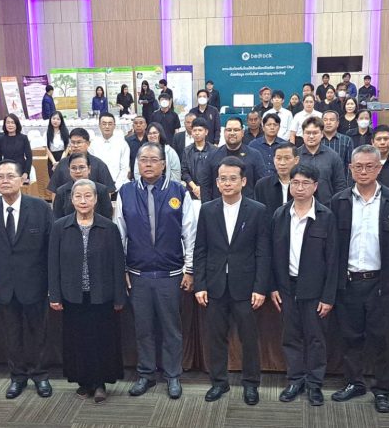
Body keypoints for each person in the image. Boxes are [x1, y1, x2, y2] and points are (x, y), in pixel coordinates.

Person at [328, 146, 389, 413]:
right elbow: (332, 247)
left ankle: (382, 389)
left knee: (382, 338)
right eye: (358, 166)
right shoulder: (338, 201)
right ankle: (354, 382)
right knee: (350, 336)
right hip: (349, 281)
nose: (363, 171)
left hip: (381, 282)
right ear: (350, 169)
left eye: (369, 166)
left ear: (379, 168)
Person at [115, 143, 196, 400]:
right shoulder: (126, 192)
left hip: (170, 275)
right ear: (137, 163)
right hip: (137, 275)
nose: (148, 164)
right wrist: (121, 269)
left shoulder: (179, 191)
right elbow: (119, 234)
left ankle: (172, 375)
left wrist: (190, 269)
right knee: (143, 328)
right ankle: (146, 374)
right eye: (143, 160)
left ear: (163, 164)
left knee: (171, 328)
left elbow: (190, 233)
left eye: (153, 160)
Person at [194, 156, 269, 406]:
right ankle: (219, 382)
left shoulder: (257, 210)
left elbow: (263, 252)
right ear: (217, 182)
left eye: (232, 179)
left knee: (249, 338)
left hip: (246, 287)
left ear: (243, 181)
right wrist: (200, 284)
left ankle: (251, 384)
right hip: (215, 285)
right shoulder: (207, 210)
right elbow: (200, 249)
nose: (227, 183)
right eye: (223, 179)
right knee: (215, 337)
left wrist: (260, 287)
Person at [0, 161, 55, 399]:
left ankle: (40, 375)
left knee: (38, 333)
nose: (5, 180)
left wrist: (52, 285)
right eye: (0, 176)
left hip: (35, 284)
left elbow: (51, 249)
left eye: (10, 176)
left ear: (23, 179)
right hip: (3, 285)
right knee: (11, 335)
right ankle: (17, 377)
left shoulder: (40, 207)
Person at [48, 178, 126, 404]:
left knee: (101, 339)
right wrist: (54, 294)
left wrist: (119, 296)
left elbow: (117, 264)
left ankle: (100, 383)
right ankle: (84, 380)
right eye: (78, 196)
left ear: (96, 199)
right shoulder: (60, 227)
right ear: (71, 199)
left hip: (102, 295)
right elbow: (53, 263)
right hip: (72, 295)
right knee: (77, 340)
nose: (83, 201)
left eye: (88, 196)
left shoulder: (108, 227)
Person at [271, 163, 339, 407]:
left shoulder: (326, 216)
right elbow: (272, 254)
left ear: (315, 186)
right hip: (286, 287)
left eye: (305, 183)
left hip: (315, 290)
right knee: (291, 336)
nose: (300, 188)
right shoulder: (280, 215)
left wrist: (328, 296)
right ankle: (295, 380)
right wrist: (273, 287)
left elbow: (333, 260)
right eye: (295, 183)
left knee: (316, 338)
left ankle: (314, 383)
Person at [198, 117, 265, 202]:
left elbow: (261, 185)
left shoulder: (255, 155)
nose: (232, 133)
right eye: (229, 130)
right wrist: (208, 207)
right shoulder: (212, 156)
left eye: (236, 130)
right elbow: (205, 186)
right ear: (224, 132)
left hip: (248, 207)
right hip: (218, 206)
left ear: (242, 133)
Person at [47, 129, 115, 194]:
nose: (75, 146)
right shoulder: (62, 164)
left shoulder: (99, 164)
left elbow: (108, 192)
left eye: (79, 142)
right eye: (73, 142)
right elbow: (54, 191)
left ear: (88, 143)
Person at [297, 117, 347, 204]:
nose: (311, 136)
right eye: (308, 133)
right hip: (300, 205)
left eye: (315, 133)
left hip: (327, 206)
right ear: (303, 134)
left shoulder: (333, 156)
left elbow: (340, 184)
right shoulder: (295, 156)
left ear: (322, 134)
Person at [53, 153, 113, 219]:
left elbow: (107, 218)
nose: (78, 171)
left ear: (89, 169)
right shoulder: (61, 192)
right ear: (69, 169)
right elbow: (57, 218)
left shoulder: (101, 190)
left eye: (81, 167)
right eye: (73, 168)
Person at [255, 142, 298, 218]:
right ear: (273, 159)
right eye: (278, 158)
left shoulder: (303, 184)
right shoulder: (262, 185)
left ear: (296, 160)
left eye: (287, 158)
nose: (282, 163)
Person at [90, 112, 131, 188]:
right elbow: (91, 167)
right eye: (104, 124)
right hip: (98, 185)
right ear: (99, 125)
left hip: (119, 184)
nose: (107, 126)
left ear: (114, 126)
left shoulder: (122, 144)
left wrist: (116, 187)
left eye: (110, 124)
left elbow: (124, 168)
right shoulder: (93, 144)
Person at [182, 117, 216, 200]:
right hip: (192, 192)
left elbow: (215, 172)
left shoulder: (214, 150)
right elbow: (184, 172)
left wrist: (203, 189)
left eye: (200, 130)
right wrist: (195, 188)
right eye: (194, 130)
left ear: (206, 132)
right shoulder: (187, 151)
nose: (197, 133)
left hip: (210, 192)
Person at [249, 112, 289, 178]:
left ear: (279, 127)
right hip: (258, 181)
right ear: (263, 127)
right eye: (269, 125)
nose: (272, 127)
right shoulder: (253, 145)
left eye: (275, 125)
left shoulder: (285, 145)